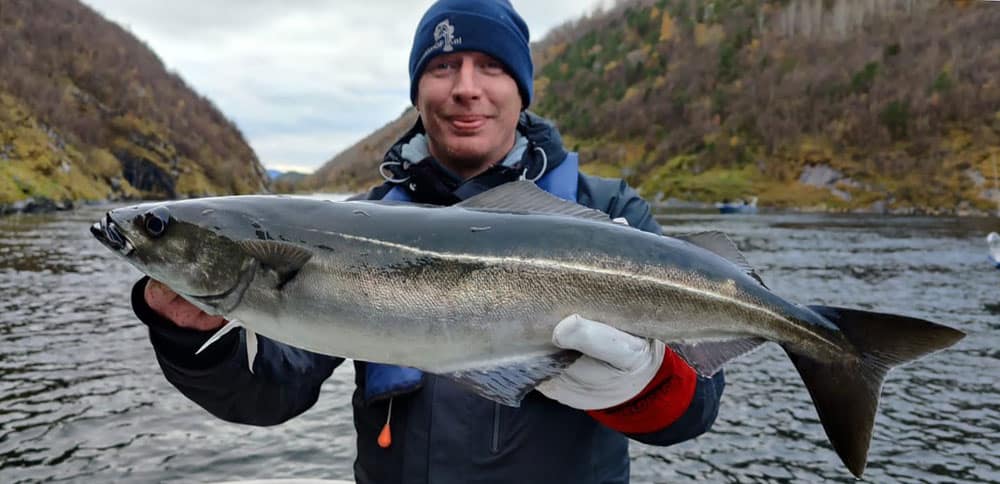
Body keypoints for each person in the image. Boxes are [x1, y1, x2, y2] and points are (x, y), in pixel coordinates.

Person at [132, 1, 725, 482]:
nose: (466, 88)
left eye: (491, 66)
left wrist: (645, 383)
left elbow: (694, 409)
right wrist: (188, 339)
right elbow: (266, 395)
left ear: (522, 91)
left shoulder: (609, 212)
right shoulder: (352, 227)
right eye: (443, 67)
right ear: (417, 92)